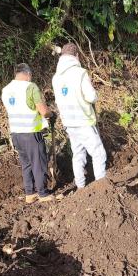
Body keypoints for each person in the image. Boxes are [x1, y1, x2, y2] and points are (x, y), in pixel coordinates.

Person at [52, 42, 107, 189]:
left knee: (78, 154)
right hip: (84, 120)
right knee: (98, 153)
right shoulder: (80, 73)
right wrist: (95, 95)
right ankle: (102, 187)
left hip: (69, 123)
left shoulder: (56, 78)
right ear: (76, 56)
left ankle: (81, 186)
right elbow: (91, 97)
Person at [2, 63, 54, 203]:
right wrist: (51, 114)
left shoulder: (6, 90)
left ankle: (30, 194)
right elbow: (43, 111)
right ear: (28, 74)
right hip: (31, 133)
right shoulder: (30, 87)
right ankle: (43, 194)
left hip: (16, 134)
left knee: (26, 164)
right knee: (39, 163)